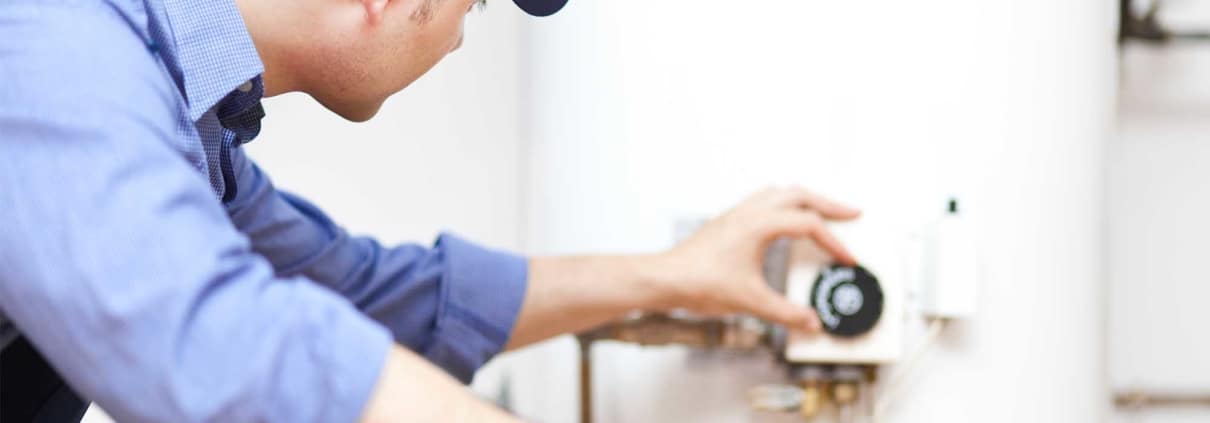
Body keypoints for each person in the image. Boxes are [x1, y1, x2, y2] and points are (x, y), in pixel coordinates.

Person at [0, 0, 862, 421]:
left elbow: (364, 298)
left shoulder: (193, 127)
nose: (455, 39)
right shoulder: (55, 41)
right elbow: (207, 336)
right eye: (475, 4)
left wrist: (671, 276)